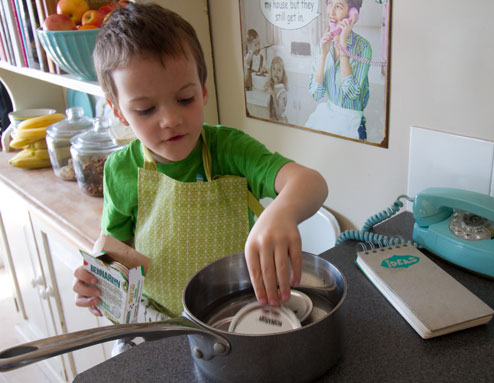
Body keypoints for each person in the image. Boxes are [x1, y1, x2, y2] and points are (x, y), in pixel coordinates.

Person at [73, 3, 327, 325]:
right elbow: (118, 250)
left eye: (184, 100)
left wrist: (281, 212)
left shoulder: (229, 150)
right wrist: (98, 277)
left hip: (238, 313)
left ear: (203, 90)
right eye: (146, 109)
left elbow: (311, 183)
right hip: (158, 319)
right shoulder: (121, 169)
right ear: (118, 111)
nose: (170, 120)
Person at [305, 0, 372, 140]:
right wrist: (323, 54)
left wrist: (343, 45)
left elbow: (352, 92)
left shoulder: (363, 47)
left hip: (351, 121)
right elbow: (316, 94)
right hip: (327, 116)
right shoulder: (324, 43)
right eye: (330, 4)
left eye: (339, 6)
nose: (331, 12)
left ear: (352, 13)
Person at [264, 56, 288, 123]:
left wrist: (273, 95)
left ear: (283, 74)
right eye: (273, 69)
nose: (276, 72)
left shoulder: (282, 92)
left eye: (279, 70)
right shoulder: (274, 86)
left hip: (281, 124)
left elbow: (279, 115)